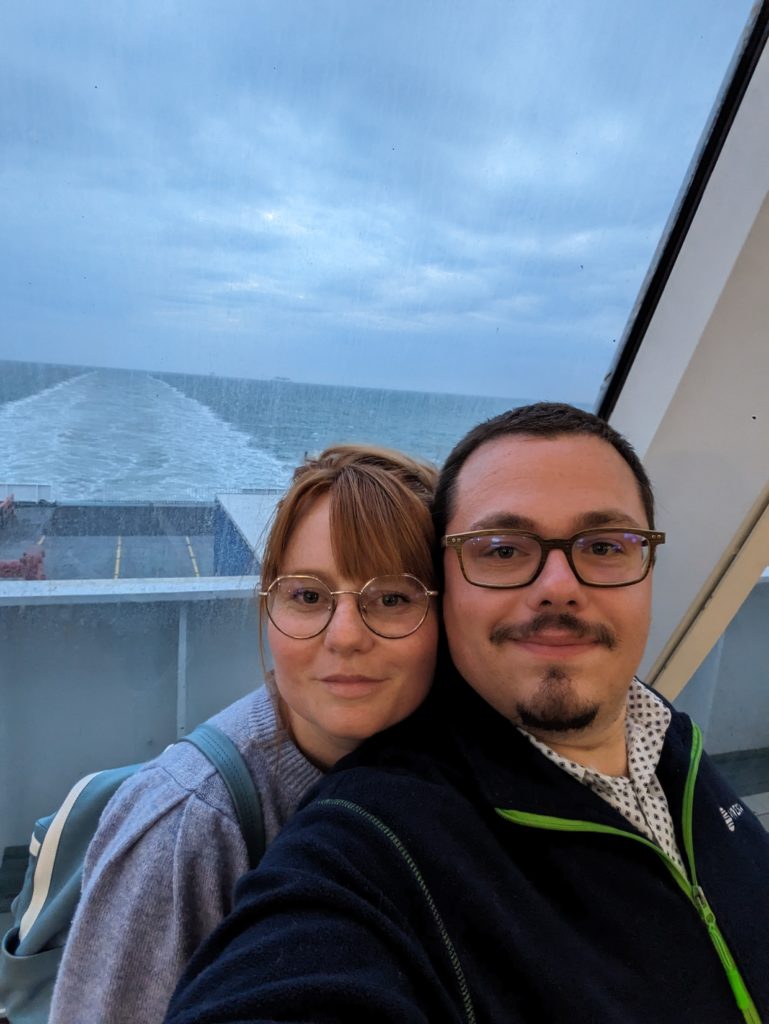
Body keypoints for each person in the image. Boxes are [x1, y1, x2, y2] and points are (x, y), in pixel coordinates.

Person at [165, 403, 769, 1024]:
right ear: (447, 591)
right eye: (502, 551)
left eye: (604, 545)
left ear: (647, 567)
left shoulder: (674, 743)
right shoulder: (373, 843)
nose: (558, 585)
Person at [50, 444, 439, 1024]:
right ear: (268, 607)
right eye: (308, 596)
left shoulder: (453, 769)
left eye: (391, 598)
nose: (346, 636)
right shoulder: (187, 827)